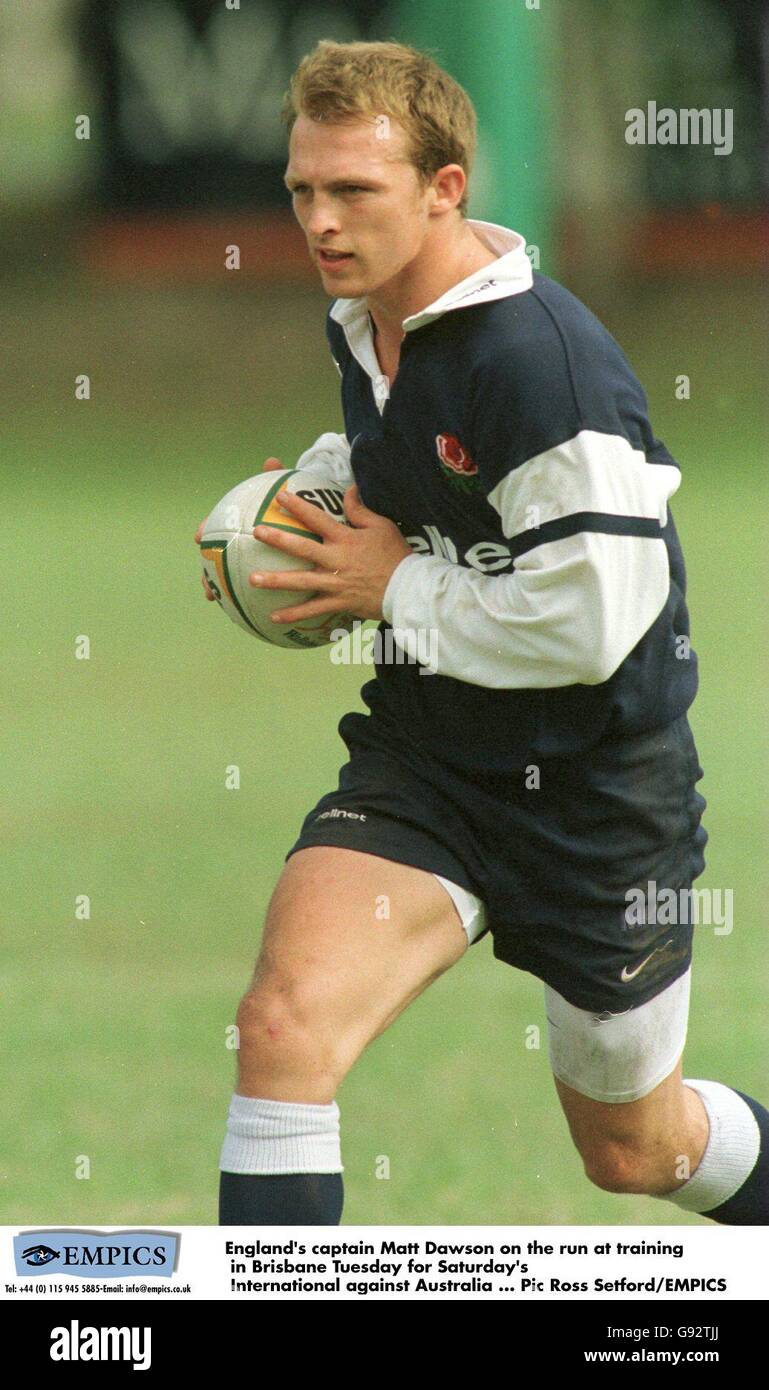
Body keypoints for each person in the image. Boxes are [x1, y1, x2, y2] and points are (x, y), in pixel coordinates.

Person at [196, 39, 767, 1226]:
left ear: (444, 188)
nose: (320, 221)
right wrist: (296, 520)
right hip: (430, 759)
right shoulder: (364, 317)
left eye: (353, 190)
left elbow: (598, 622)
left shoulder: (542, 364)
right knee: (281, 1028)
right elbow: (406, 469)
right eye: (303, 189)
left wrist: (390, 582)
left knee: (637, 1146)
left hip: (601, 793)